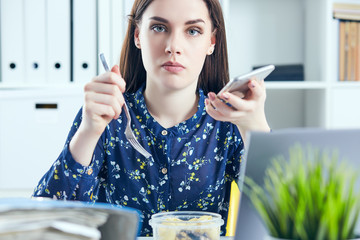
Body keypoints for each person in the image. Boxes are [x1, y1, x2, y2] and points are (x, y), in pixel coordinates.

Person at [33, 0, 270, 236]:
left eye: (193, 31)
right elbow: (42, 224)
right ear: (138, 35)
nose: (173, 46)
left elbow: (286, 218)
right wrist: (88, 132)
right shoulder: (108, 116)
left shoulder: (228, 123)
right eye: (159, 27)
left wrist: (255, 129)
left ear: (211, 42)